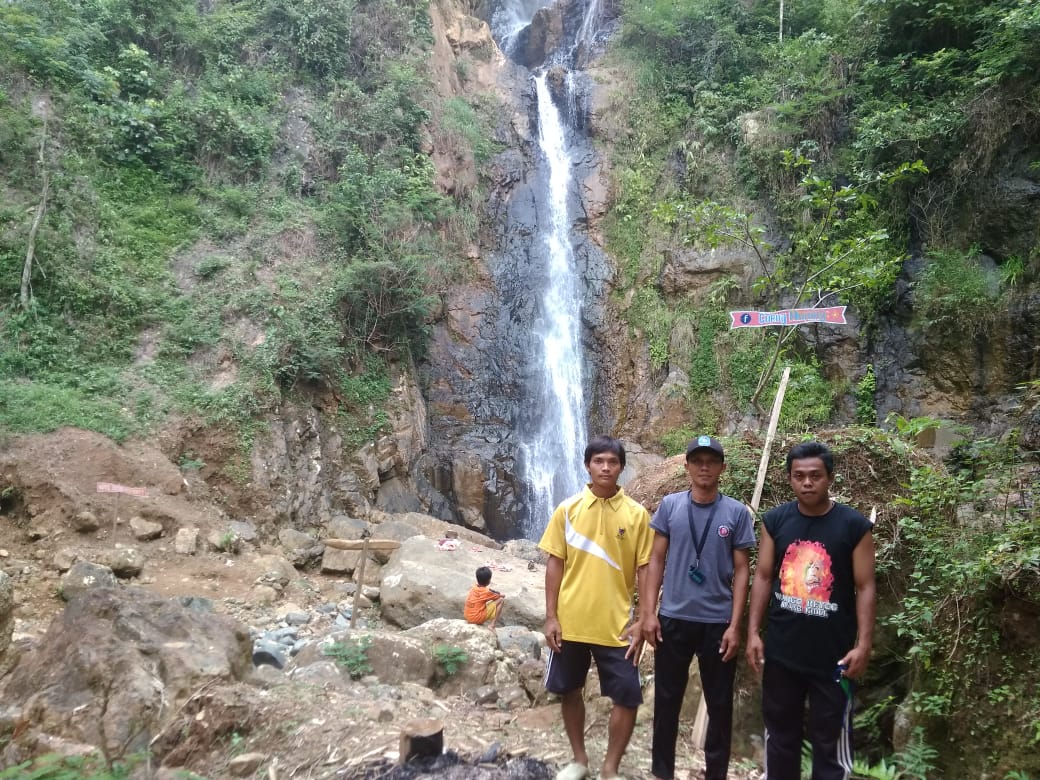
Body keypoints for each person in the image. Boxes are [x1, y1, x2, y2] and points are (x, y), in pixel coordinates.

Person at [746, 441, 876, 780]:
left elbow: (865, 586)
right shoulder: (775, 521)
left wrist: (863, 645)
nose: (807, 483)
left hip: (834, 658)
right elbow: (762, 576)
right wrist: (753, 633)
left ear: (829, 477)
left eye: (815, 476)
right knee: (781, 736)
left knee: (829, 742)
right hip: (781, 652)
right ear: (789, 479)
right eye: (799, 476)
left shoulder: (854, 527)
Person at [637, 436, 755, 780]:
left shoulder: (734, 513)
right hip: (673, 619)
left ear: (721, 467)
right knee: (667, 700)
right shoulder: (670, 506)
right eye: (698, 460)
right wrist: (648, 613)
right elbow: (655, 559)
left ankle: (715, 773)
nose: (704, 467)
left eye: (711, 461)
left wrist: (736, 625)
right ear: (686, 466)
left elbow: (743, 570)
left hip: (717, 623)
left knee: (719, 705)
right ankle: (662, 771)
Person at [538, 435, 654, 780]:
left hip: (617, 625)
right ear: (587, 465)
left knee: (628, 697)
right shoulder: (567, 510)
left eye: (612, 462)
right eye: (599, 461)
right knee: (569, 690)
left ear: (621, 467)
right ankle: (579, 760)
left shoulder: (636, 515)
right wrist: (550, 616)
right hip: (571, 621)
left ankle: (610, 768)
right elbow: (554, 563)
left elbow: (647, 568)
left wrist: (646, 616)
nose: (606, 468)